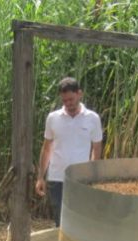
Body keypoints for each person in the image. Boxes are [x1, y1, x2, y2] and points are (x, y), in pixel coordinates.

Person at [35, 77, 103, 227]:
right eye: (64, 100)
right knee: (61, 220)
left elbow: (97, 147)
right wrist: (40, 177)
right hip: (57, 178)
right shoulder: (53, 118)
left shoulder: (93, 118)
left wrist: (91, 173)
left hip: (80, 178)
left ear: (80, 94)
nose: (68, 104)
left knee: (80, 218)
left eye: (71, 99)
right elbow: (47, 148)